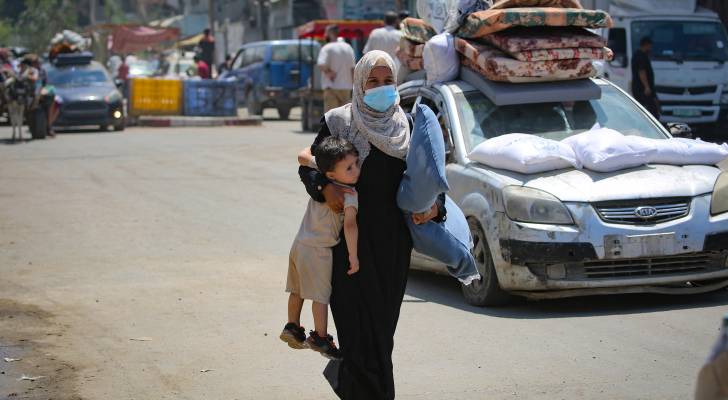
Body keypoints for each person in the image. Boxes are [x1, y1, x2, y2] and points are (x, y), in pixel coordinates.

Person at [298, 50, 445, 400]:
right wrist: (325, 186)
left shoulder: (407, 127)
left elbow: (433, 181)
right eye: (372, 82)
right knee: (354, 331)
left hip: (392, 248)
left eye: (387, 81)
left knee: (380, 336)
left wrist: (435, 209)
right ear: (359, 84)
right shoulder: (339, 122)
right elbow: (309, 166)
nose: (381, 88)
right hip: (345, 249)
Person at [281, 136, 361, 360]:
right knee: (320, 296)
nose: (356, 170)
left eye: (356, 164)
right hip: (319, 251)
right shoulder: (349, 195)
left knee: (297, 290)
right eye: (349, 167)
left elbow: (304, 156)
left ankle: (292, 326)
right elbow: (350, 226)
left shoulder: (324, 177)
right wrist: (353, 257)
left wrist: (316, 160)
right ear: (333, 174)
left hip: (299, 245)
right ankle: (320, 336)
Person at [317, 25, 356, 113]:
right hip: (346, 88)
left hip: (331, 87)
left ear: (330, 34)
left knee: (331, 117)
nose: (324, 35)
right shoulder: (348, 47)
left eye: (326, 33)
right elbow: (352, 68)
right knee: (344, 116)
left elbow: (321, 64)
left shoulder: (327, 48)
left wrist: (329, 73)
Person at [631, 36, 660, 118]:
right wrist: (647, 87)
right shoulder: (641, 55)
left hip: (640, 88)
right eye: (650, 46)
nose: (650, 48)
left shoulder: (639, 54)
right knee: (652, 111)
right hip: (642, 89)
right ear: (646, 45)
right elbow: (641, 71)